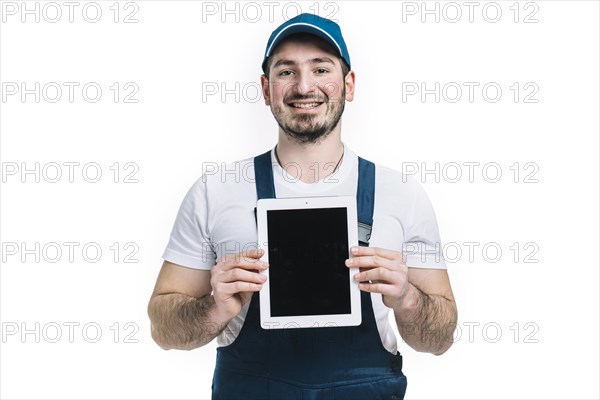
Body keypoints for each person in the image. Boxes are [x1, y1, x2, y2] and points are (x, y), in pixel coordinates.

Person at [148, 13, 457, 399]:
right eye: (286, 71)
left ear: (349, 84)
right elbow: (163, 330)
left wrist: (406, 298)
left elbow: (440, 340)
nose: (304, 86)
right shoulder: (216, 191)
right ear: (266, 89)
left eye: (321, 68)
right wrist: (215, 308)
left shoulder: (402, 193)